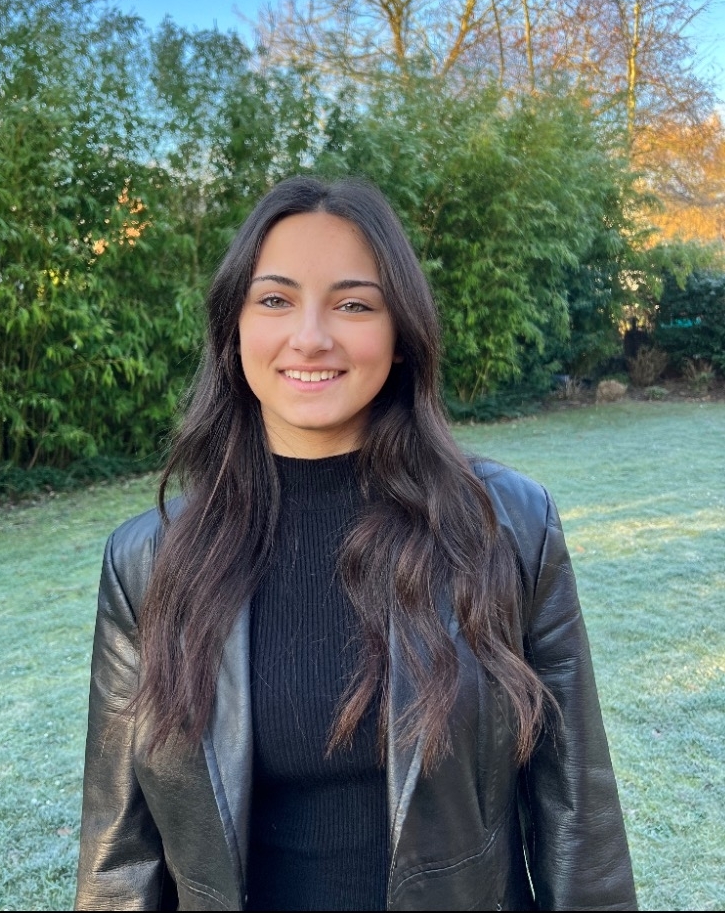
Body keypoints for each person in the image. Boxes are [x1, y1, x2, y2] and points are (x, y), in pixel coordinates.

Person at [74, 176, 637, 912]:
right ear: (233, 328)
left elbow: (579, 817)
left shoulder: (507, 528)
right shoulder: (148, 565)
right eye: (274, 300)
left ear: (400, 335)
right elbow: (120, 859)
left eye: (353, 305)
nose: (310, 336)